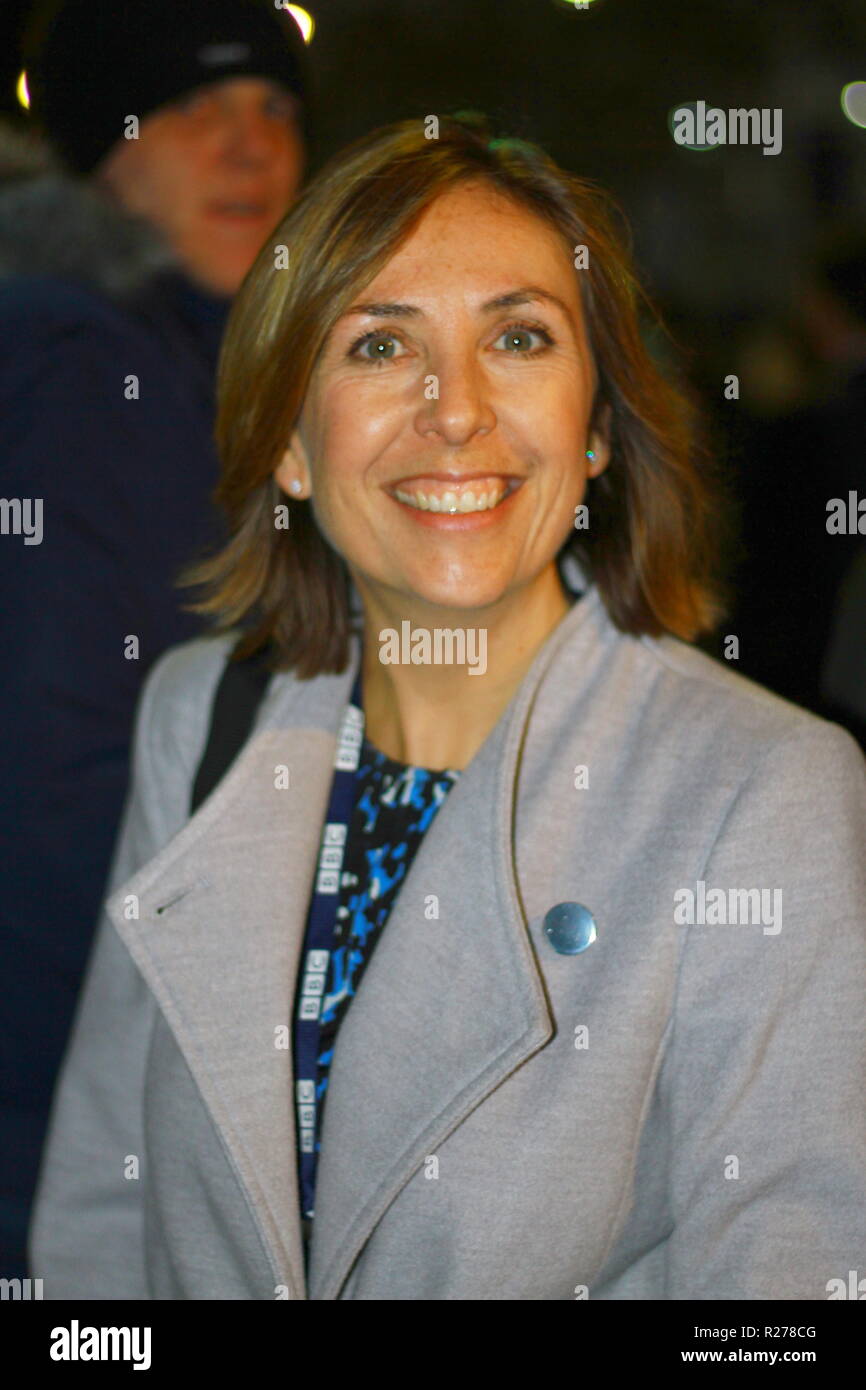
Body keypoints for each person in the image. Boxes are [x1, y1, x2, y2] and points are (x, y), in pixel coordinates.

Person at [29, 115, 866, 1301]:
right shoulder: (203, 717)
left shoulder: (760, 789)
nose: (455, 409)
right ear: (289, 442)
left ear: (591, 431)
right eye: (378, 347)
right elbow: (103, 1221)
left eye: (517, 337)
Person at [0, 0, 307, 1278]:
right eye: (192, 113)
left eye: (274, 114)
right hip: (71, 1078)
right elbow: (53, 773)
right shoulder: (84, 363)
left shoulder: (194, 358)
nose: (248, 149)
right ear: (100, 153)